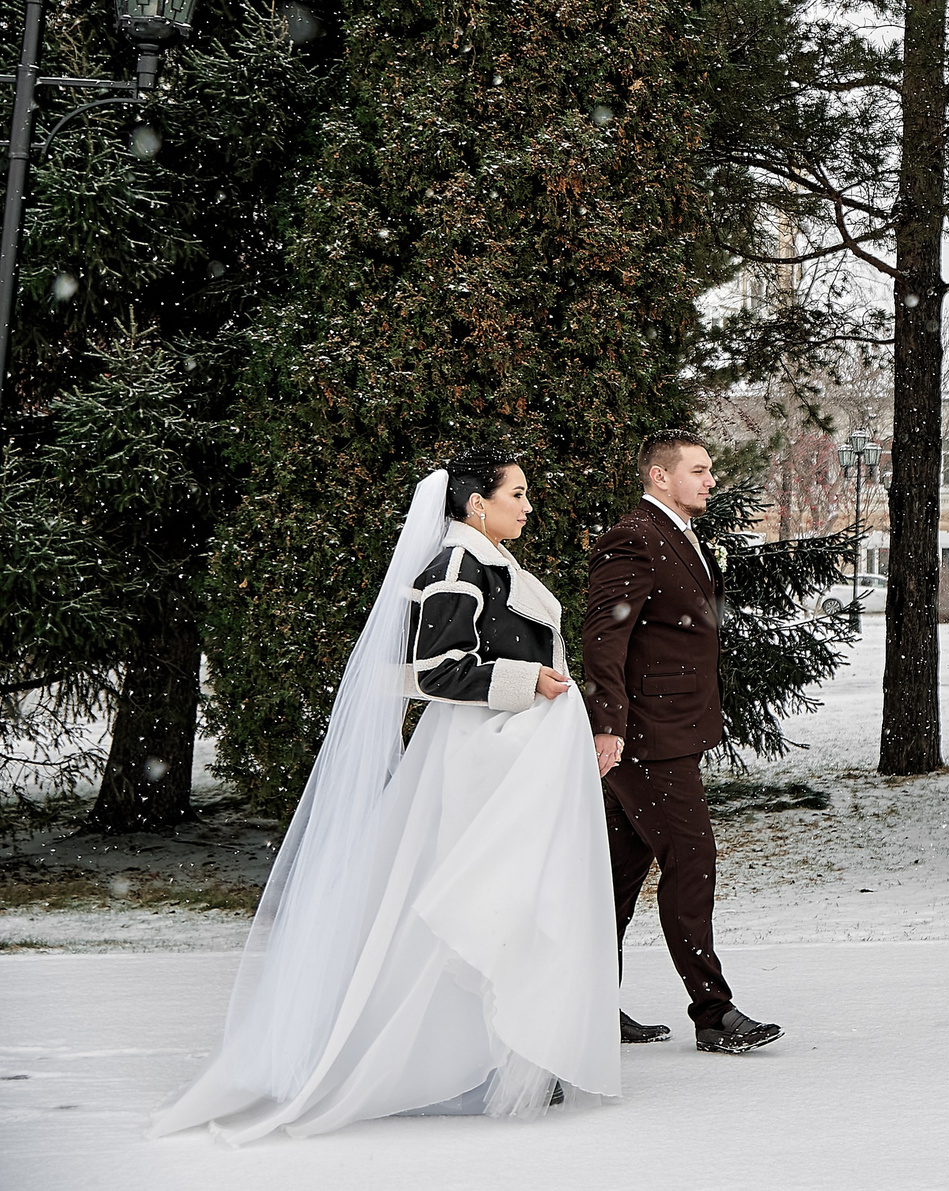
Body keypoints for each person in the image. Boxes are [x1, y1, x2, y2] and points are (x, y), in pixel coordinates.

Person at [153, 452, 619, 1141]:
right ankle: (449, 1058)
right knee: (474, 893)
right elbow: (434, 670)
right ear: (477, 503)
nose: (528, 506)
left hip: (507, 752)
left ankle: (499, 1053)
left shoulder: (492, 564)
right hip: (475, 753)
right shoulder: (456, 568)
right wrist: (529, 682)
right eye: (517, 494)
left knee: (506, 893)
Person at [584, 428, 782, 1054]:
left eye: (710, 470)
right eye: (697, 470)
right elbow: (604, 637)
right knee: (691, 863)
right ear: (659, 476)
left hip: (668, 731)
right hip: (647, 738)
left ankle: (587, 1008)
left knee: (616, 878)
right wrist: (607, 724)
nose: (710, 480)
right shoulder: (634, 538)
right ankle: (713, 1013)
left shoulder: (679, 536)